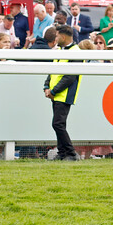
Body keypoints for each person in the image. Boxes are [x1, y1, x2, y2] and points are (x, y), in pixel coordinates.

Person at [43, 24, 81, 161]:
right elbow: (52, 71)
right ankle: (63, 153)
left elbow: (70, 77)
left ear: (63, 36)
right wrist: (46, 86)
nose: (55, 38)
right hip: (55, 94)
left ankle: (70, 153)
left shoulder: (76, 52)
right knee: (59, 124)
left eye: (57, 35)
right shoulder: (60, 49)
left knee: (57, 124)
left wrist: (53, 90)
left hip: (64, 95)